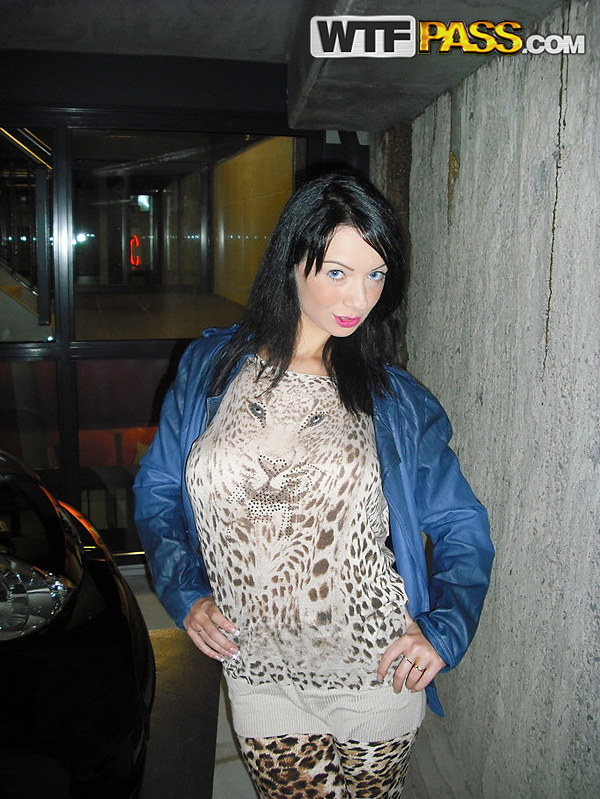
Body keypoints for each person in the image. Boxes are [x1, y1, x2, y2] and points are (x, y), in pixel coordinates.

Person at [134, 172, 494, 798]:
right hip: (257, 669)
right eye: (337, 272)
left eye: (376, 274)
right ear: (291, 263)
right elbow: (159, 487)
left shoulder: (395, 401)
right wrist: (185, 592)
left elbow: (461, 523)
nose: (360, 296)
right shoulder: (211, 369)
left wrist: (443, 629)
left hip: (374, 669)